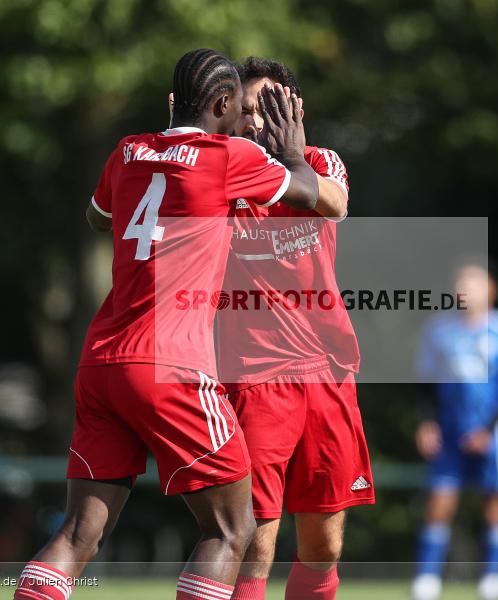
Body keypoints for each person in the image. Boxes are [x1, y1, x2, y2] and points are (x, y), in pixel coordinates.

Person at [13, 48, 320, 600]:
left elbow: (96, 215)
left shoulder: (128, 151)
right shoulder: (227, 156)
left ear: (173, 102)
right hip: (172, 364)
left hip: (102, 361)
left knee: (79, 531)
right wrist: (294, 153)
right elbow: (310, 193)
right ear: (224, 103)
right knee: (231, 528)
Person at [212, 57, 374, 600]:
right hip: (256, 376)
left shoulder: (323, 160)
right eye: (249, 109)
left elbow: (335, 203)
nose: (258, 121)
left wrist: (293, 157)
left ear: (297, 111)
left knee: (324, 545)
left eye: (272, 108)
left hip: (328, 373)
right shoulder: (222, 170)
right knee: (253, 544)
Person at [411, 257, 498, 600]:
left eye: (474, 282)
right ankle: (426, 580)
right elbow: (424, 385)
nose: (465, 289)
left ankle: (493, 579)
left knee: (495, 504)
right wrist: (427, 422)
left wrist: (490, 430)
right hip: (449, 433)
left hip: (493, 436)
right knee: (440, 502)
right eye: (461, 282)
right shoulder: (438, 330)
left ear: (492, 289)